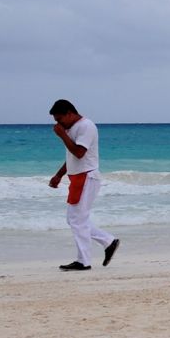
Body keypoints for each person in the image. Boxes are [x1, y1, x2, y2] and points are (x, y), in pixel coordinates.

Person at [47, 99, 120, 270]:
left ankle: (84, 261)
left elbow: (79, 153)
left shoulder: (86, 126)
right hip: (78, 177)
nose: (58, 124)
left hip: (87, 177)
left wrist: (62, 135)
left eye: (59, 119)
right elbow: (72, 157)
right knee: (74, 219)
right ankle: (108, 241)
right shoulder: (72, 128)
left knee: (77, 220)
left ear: (69, 113)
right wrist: (59, 175)